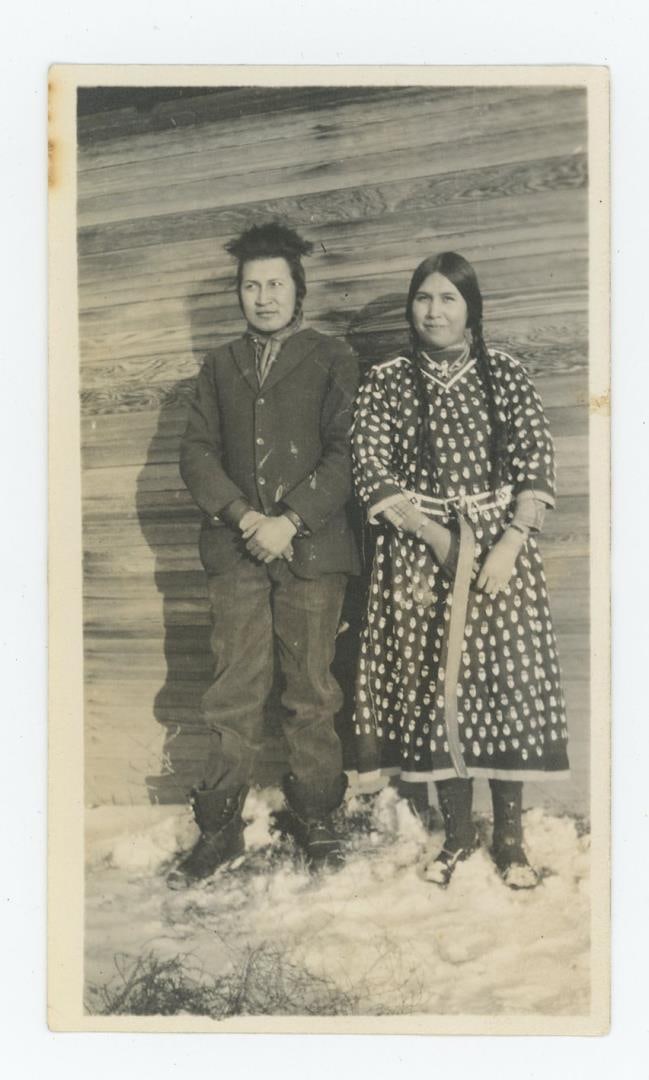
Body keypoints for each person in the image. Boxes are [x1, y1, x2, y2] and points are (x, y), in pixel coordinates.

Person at [351, 251, 569, 890]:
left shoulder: (505, 374)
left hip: (501, 553)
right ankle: (457, 834)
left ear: (471, 307)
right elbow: (369, 464)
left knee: (503, 686)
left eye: (449, 298)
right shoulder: (388, 380)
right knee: (434, 687)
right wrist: (434, 536)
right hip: (419, 555)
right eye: (424, 298)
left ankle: (510, 839)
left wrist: (510, 542)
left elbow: (535, 457)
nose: (435, 311)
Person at [167, 222, 359, 888]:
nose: (264, 297)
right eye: (252, 286)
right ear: (239, 294)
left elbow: (346, 452)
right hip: (238, 550)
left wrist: (291, 519)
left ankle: (318, 818)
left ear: (298, 290)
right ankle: (219, 829)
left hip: (311, 552)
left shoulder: (332, 357)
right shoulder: (220, 366)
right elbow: (196, 453)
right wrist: (245, 517)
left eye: (276, 284)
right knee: (233, 690)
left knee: (312, 689)